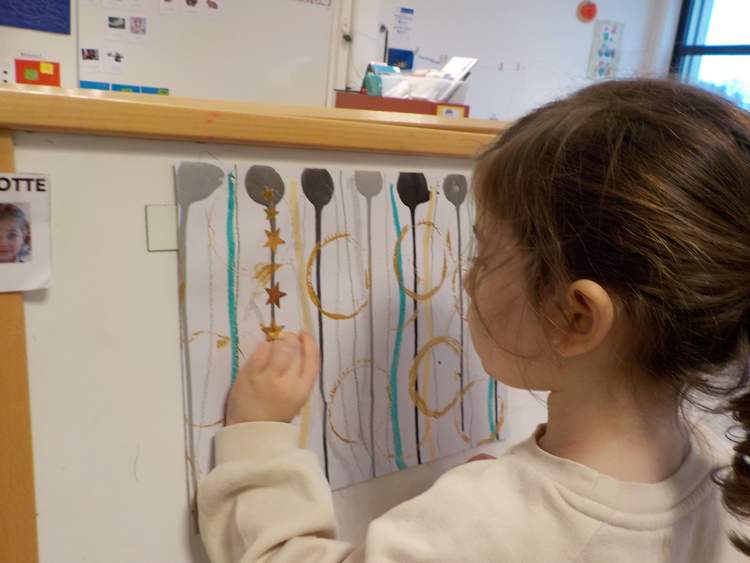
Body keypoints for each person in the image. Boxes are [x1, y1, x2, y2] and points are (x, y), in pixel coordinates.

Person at [197, 79, 750, 562]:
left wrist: (258, 441)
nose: (465, 278)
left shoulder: (478, 525)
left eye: (484, 254)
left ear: (577, 317)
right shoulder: (723, 474)